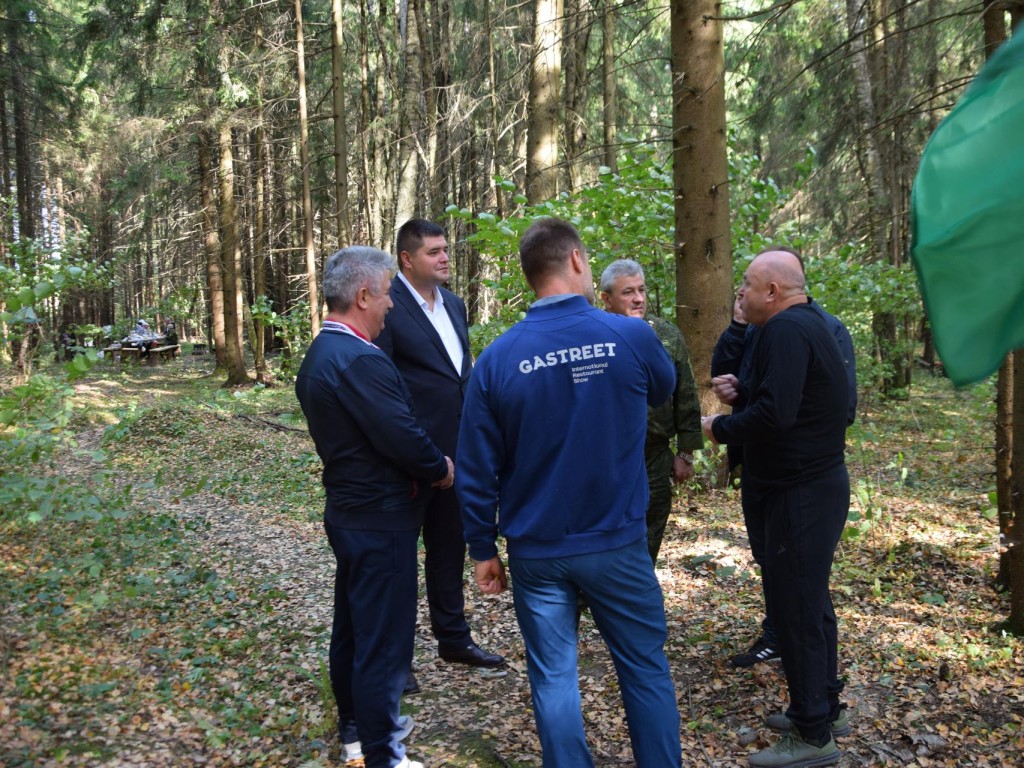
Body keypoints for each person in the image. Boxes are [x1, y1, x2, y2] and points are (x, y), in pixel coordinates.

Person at [456, 218, 682, 767]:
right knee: (644, 669)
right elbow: (664, 387)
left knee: (555, 678)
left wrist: (482, 548)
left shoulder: (497, 360)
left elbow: (475, 465)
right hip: (617, 544)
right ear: (578, 261)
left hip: (539, 550)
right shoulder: (631, 335)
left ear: (530, 275)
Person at [295, 246, 454, 768]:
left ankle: (357, 733)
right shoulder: (359, 359)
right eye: (387, 295)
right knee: (383, 640)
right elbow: (402, 437)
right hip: (379, 518)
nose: (391, 307)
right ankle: (384, 753)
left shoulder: (322, 354)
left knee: (354, 628)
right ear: (363, 296)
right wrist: (441, 468)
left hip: (352, 512)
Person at [702, 249, 850, 768]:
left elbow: (778, 415)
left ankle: (812, 737)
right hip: (809, 486)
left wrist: (720, 427)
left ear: (773, 291)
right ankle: (822, 707)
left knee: (798, 609)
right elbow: (796, 398)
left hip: (801, 492)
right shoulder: (807, 326)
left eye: (747, 284)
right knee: (808, 602)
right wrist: (746, 392)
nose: (739, 292)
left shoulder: (790, 330)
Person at [376, 219, 504, 685]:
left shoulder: (454, 304)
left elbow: (460, 377)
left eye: (446, 249)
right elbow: (384, 386)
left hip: (459, 453)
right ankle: (396, 659)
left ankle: (454, 638)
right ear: (407, 260)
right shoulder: (388, 307)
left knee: (449, 549)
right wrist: (421, 453)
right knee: (399, 560)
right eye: (434, 251)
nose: (445, 257)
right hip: (410, 457)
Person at [599, 259, 702, 564]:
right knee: (605, 531)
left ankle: (638, 593)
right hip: (607, 456)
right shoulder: (593, 336)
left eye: (641, 290)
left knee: (651, 526)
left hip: (654, 454)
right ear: (606, 298)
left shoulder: (666, 335)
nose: (639, 298)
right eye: (628, 292)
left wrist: (685, 453)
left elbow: (685, 393)